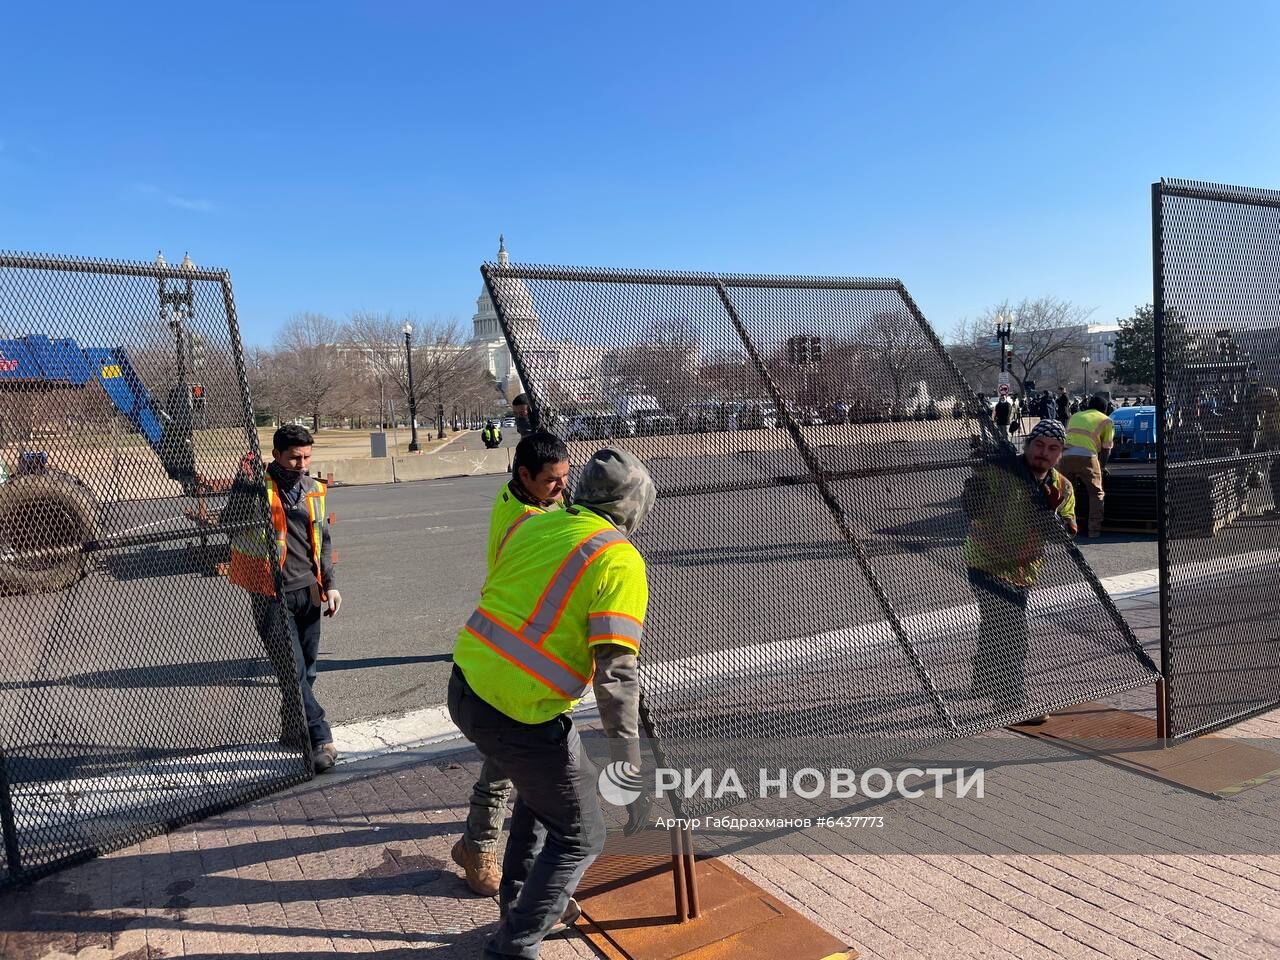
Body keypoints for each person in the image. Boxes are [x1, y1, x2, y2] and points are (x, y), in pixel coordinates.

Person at [449, 448, 654, 959]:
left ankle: (517, 908)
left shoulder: (535, 524)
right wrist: (627, 769)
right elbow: (616, 674)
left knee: (543, 800)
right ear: (633, 506)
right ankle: (514, 946)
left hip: (468, 688)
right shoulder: (618, 558)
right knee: (583, 836)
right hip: (524, 711)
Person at [452, 431, 572, 896]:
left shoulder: (529, 498)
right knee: (506, 760)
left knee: (507, 759)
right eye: (551, 481)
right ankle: (477, 845)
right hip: (511, 649)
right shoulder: (526, 521)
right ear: (523, 476)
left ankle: (477, 842)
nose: (561, 488)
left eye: (564, 478)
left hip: (522, 646)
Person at [224, 425, 342, 772]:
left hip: (309, 591)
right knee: (293, 671)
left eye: (307, 456)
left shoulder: (313, 489)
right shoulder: (255, 488)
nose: (301, 464)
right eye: (294, 457)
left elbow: (324, 538)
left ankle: (293, 731)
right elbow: (228, 523)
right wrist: (245, 490)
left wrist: (331, 585)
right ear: (276, 455)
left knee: (308, 670)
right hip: (271, 594)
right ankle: (320, 736)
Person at [963, 419, 1076, 722]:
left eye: (1053, 448)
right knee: (1013, 631)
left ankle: (983, 683)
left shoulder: (1062, 487)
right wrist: (978, 481)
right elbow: (974, 508)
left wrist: (1050, 515)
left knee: (995, 625)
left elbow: (1068, 529)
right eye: (1038, 445)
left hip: (1024, 570)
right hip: (985, 562)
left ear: (1060, 454)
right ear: (1027, 445)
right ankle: (1010, 703)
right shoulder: (1001, 471)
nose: (1044, 452)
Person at [1060, 394, 1115, 538]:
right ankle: (1094, 530)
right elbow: (1106, 448)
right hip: (1087, 457)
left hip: (1065, 456)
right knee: (1096, 493)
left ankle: (1068, 529)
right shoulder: (1106, 420)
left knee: (1068, 492)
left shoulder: (1075, 416)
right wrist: (1102, 467)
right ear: (1105, 408)